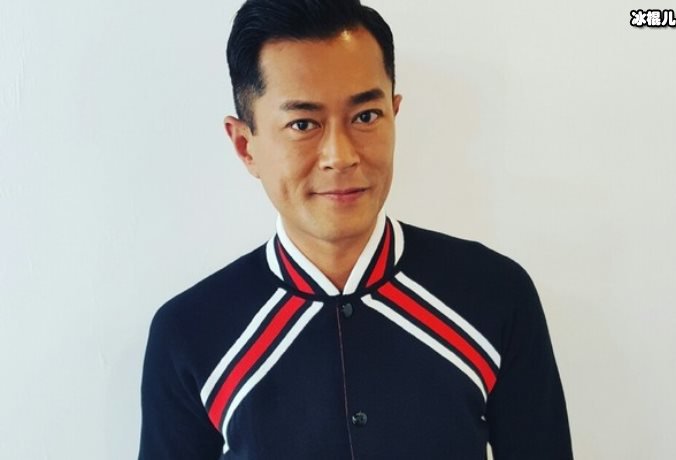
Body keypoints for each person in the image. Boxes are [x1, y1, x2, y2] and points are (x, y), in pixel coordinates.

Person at [138, 0, 573, 458]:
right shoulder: (189, 334)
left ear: (394, 115)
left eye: (365, 117)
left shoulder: (496, 295)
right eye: (303, 124)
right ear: (246, 145)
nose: (340, 156)